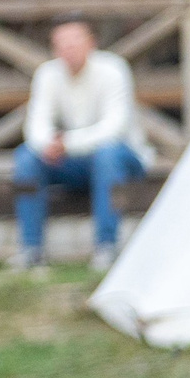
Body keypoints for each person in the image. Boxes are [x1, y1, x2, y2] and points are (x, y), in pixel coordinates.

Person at [13, 16, 147, 272]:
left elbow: (114, 129)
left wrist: (66, 144)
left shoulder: (113, 69)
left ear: (92, 43)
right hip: (74, 161)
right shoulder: (47, 74)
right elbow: (35, 127)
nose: (68, 49)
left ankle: (106, 246)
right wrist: (47, 145)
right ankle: (31, 249)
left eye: (75, 41)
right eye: (61, 44)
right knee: (27, 157)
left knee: (107, 154)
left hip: (124, 159)